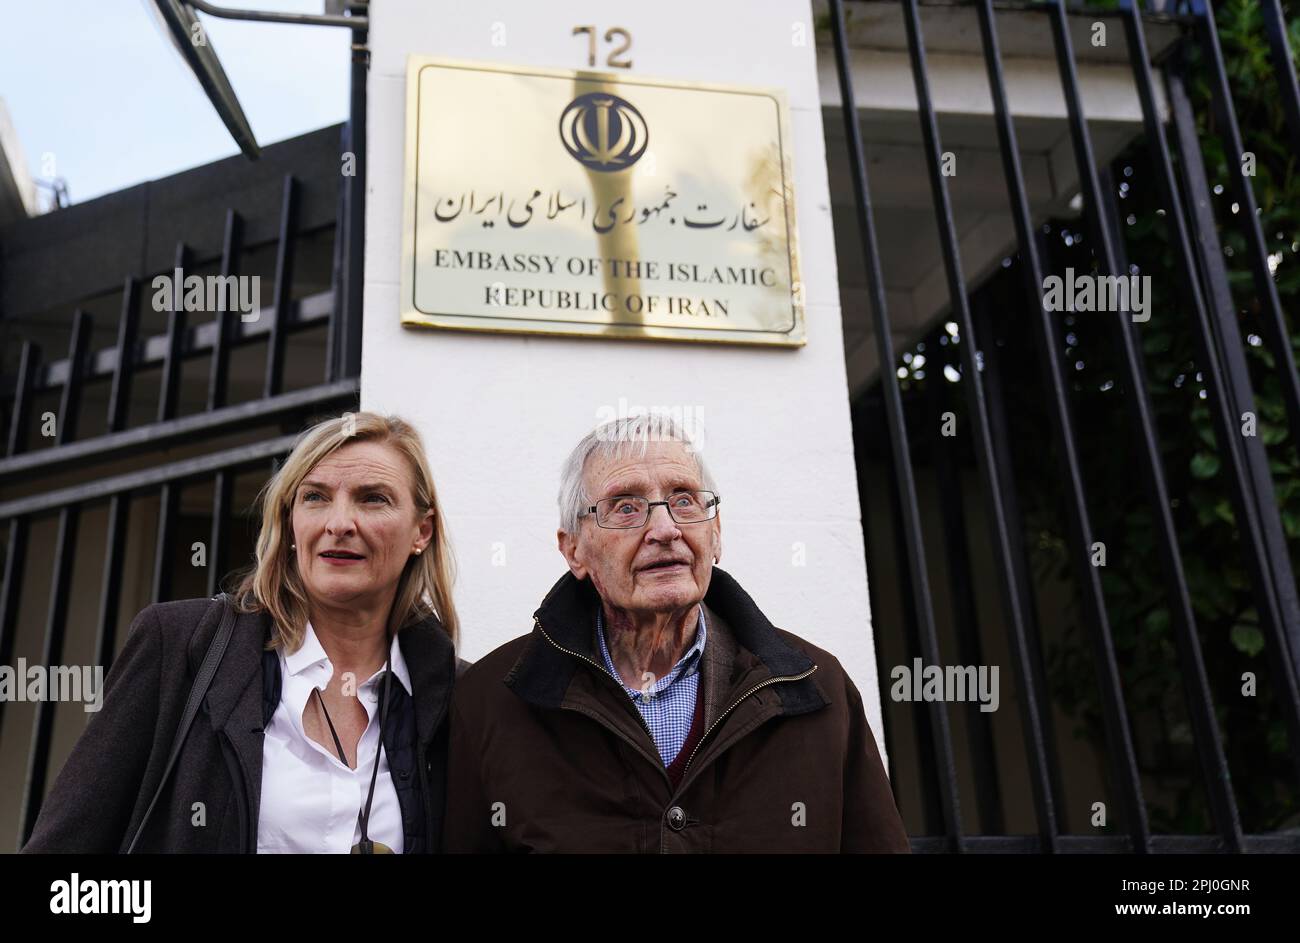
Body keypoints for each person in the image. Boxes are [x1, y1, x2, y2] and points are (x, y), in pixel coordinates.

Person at [443, 415, 909, 852]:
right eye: (626, 507)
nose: (664, 529)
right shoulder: (492, 700)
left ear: (716, 533)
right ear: (574, 550)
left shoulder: (815, 689)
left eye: (684, 500)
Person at [23, 411, 465, 853]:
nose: (339, 523)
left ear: (420, 531)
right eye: (315, 497)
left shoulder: (456, 697)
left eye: (373, 499)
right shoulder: (178, 644)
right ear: (291, 523)